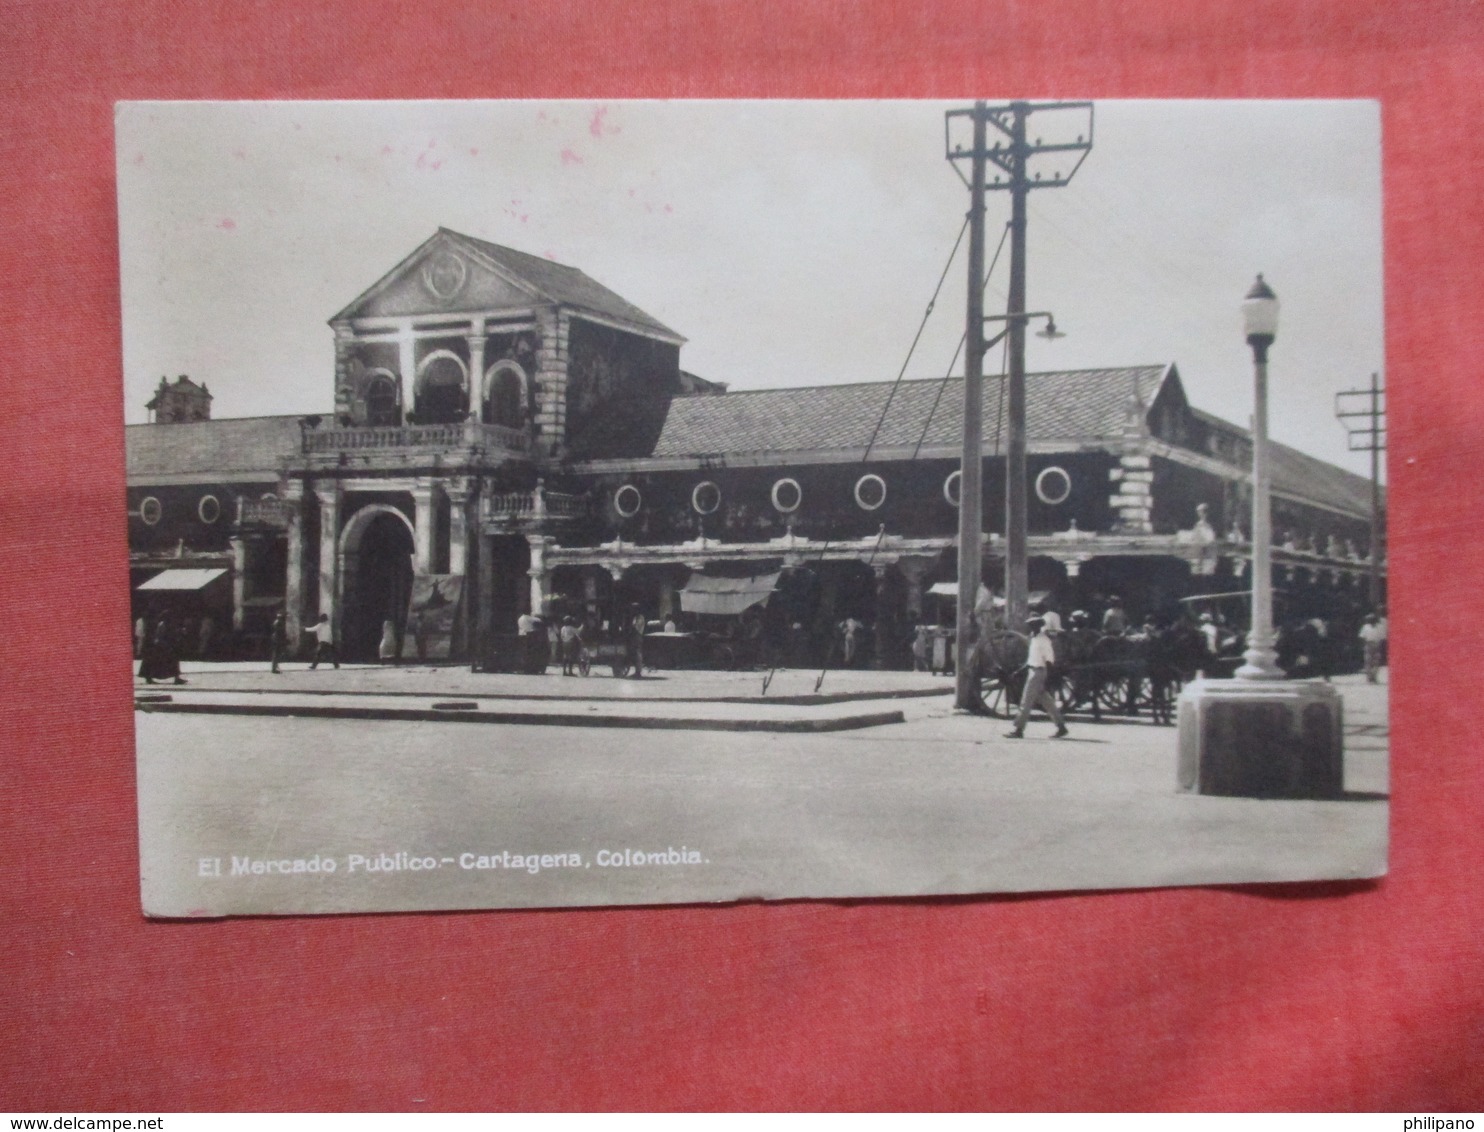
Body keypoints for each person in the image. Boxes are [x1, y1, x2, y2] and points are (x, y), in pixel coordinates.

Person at [1006, 615, 1067, 740]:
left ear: (1039, 626)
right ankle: (1061, 726)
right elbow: (1031, 660)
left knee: (1026, 701)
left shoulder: (1044, 640)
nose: (1031, 627)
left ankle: (1018, 729)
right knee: (1047, 702)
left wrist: (1048, 678)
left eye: (1033, 625)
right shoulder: (1034, 638)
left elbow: (1049, 661)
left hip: (1038, 672)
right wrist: (1019, 671)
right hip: (1033, 670)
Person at [1359, 613, 1384, 684]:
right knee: (1368, 661)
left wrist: (1380, 646)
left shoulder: (1379, 627)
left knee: (1376, 662)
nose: (1372, 621)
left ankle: (1374, 677)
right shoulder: (1365, 627)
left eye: (1373, 619)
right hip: (1368, 644)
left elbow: (1381, 638)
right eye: (1370, 620)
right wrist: (1364, 646)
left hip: (1377, 644)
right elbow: (1362, 637)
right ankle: (1369, 678)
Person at [269, 609, 289, 674]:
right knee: (276, 654)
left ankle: (275, 667)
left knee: (276, 654)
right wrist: (284, 639)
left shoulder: (276, 622)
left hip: (276, 639)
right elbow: (281, 632)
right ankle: (274, 669)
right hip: (278, 640)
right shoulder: (279, 623)